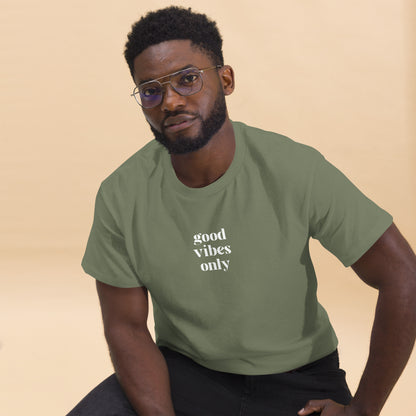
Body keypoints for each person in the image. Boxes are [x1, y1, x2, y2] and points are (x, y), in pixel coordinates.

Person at [67, 6, 416, 416]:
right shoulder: (120, 194)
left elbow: (402, 275)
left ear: (226, 79)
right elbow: (125, 326)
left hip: (298, 380)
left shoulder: (294, 168)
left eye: (188, 79)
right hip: (185, 374)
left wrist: (362, 411)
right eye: (150, 91)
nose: (171, 101)